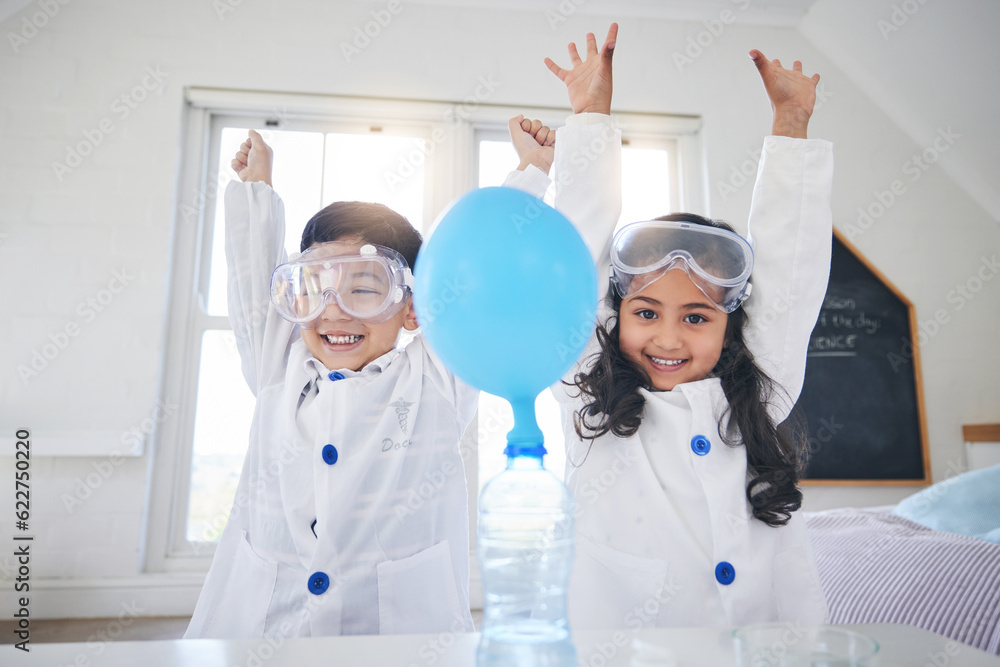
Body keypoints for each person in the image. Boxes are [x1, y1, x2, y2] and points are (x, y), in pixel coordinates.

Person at [507, 24, 833, 629]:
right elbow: (580, 254)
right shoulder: (588, 391)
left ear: (731, 325)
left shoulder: (762, 390)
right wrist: (590, 118)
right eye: (647, 312)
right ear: (616, 312)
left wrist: (790, 124)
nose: (668, 337)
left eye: (697, 317)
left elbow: (791, 277)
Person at [184, 131, 477, 639]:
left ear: (412, 307)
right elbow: (251, 278)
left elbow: (480, 277)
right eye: (314, 289)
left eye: (363, 288)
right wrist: (256, 190)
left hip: (398, 631)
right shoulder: (280, 368)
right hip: (269, 624)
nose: (333, 310)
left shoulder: (438, 380)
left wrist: (530, 174)